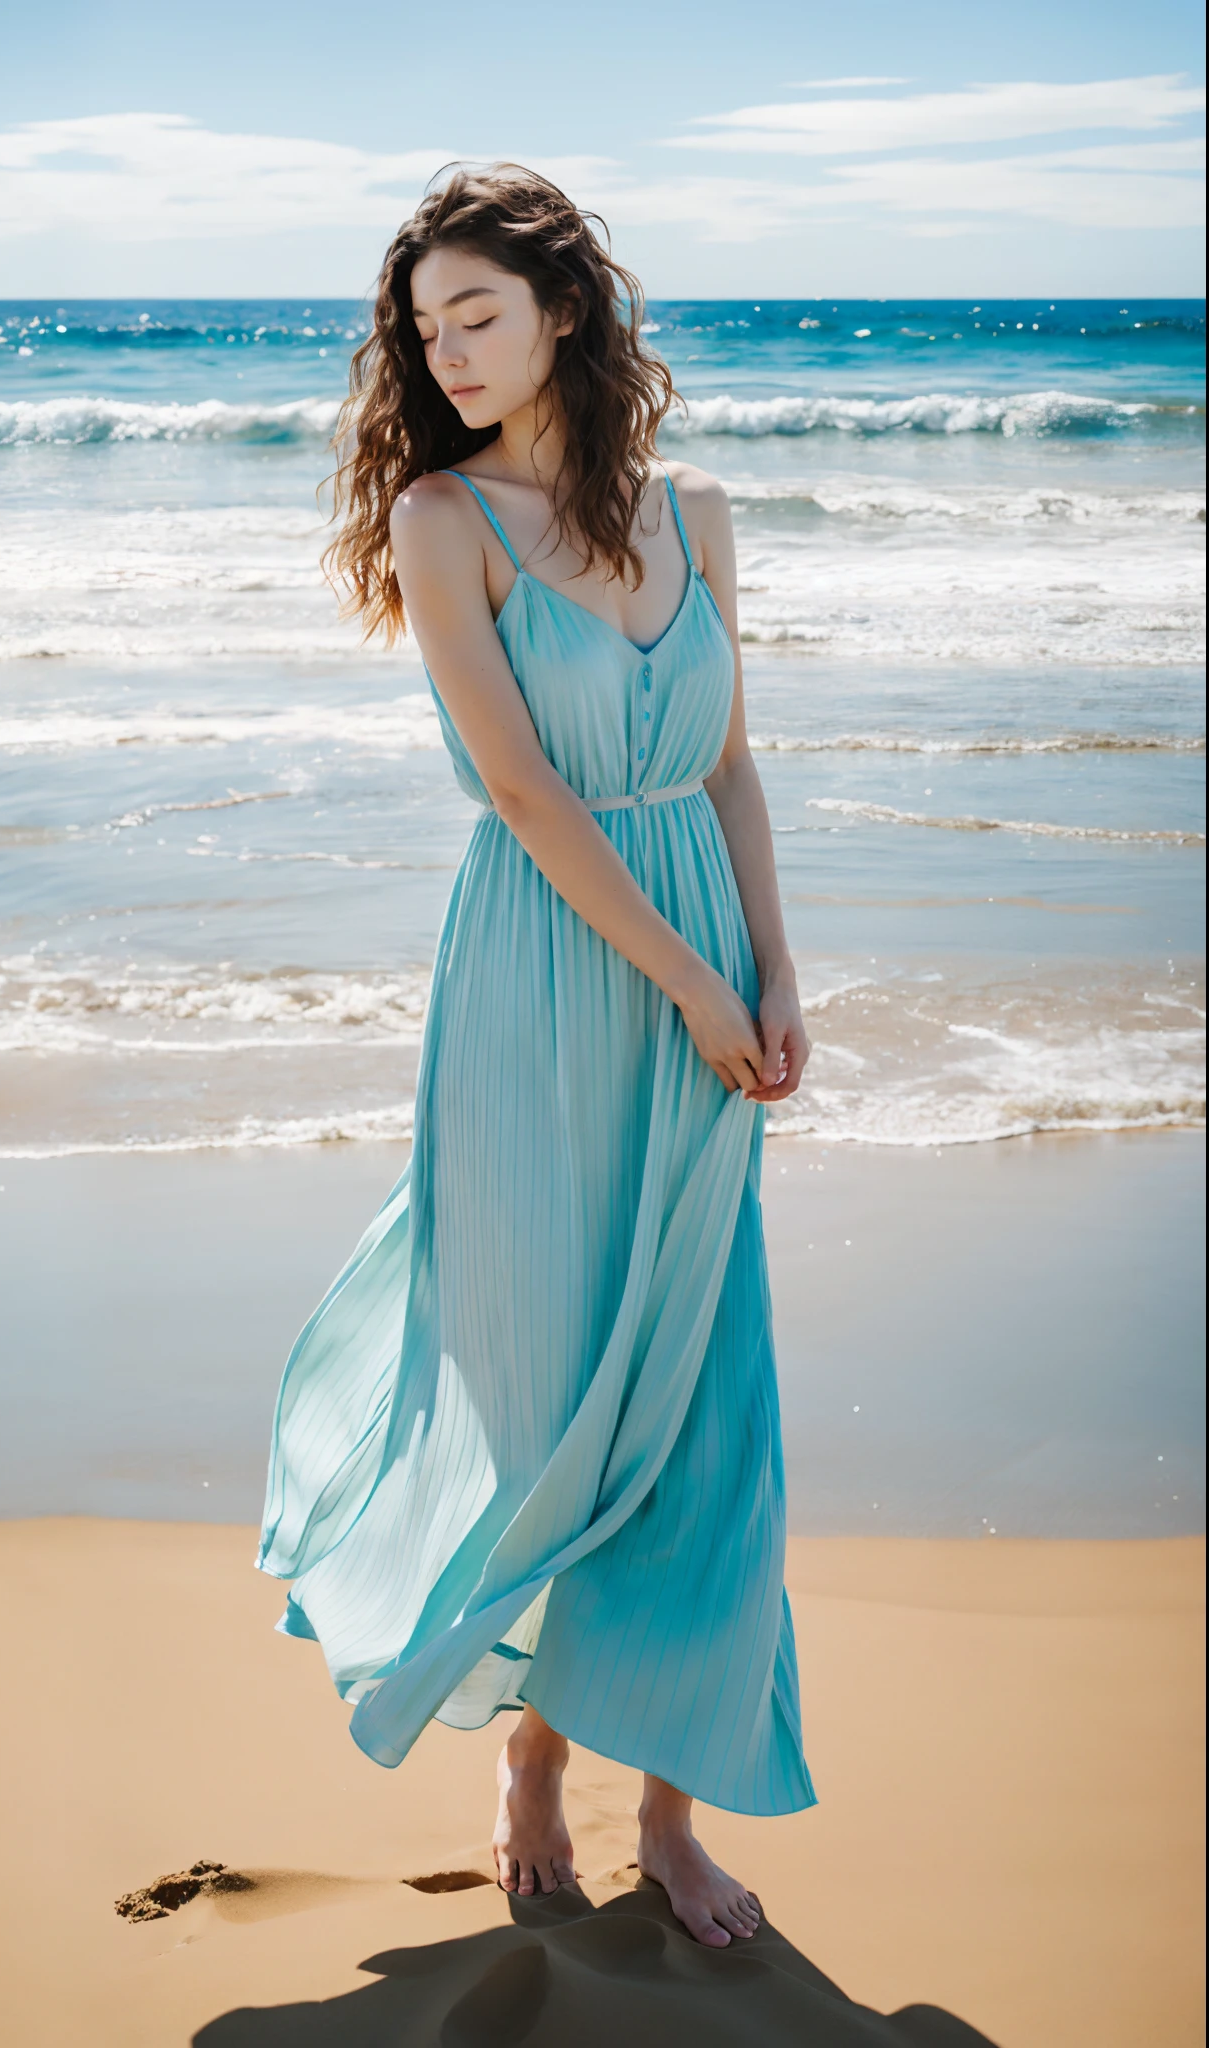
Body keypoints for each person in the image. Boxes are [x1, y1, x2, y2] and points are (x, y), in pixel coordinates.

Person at [258, 164, 816, 1950]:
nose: (451, 350)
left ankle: (669, 1811)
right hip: (552, 978)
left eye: (478, 311)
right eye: (426, 328)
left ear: (568, 308)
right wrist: (687, 986)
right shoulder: (442, 520)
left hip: (705, 977)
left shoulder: (699, 510)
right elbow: (521, 789)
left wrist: (776, 970)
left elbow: (726, 763)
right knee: (563, 1396)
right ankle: (529, 1762)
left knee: (705, 1403)